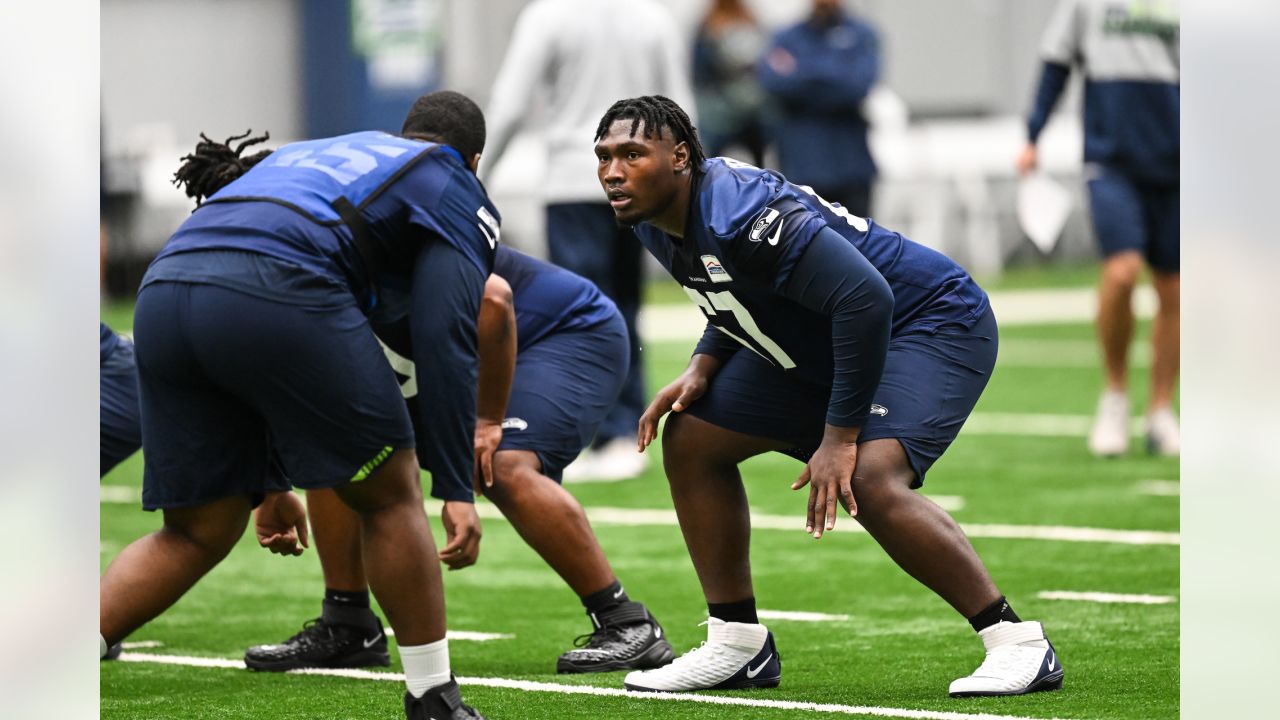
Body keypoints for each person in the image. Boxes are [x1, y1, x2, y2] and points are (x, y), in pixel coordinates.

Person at [592, 96, 1063, 698]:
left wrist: (839, 439)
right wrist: (702, 364)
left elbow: (866, 300)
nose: (613, 171)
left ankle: (1017, 642)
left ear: (680, 157)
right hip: (829, 338)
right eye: (604, 157)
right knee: (693, 436)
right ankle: (737, 644)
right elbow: (741, 293)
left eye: (632, 154)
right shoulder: (656, 213)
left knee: (867, 476)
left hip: (925, 322)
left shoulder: (742, 214)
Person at [98, 91, 497, 720]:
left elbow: (245, 333)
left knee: (197, 530)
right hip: (277, 284)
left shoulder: (324, 147)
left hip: (164, 285)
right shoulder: (450, 180)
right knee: (390, 492)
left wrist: (271, 479)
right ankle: (433, 697)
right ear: (473, 160)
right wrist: (456, 485)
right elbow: (447, 333)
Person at [243, 246, 673, 675]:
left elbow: (492, 298)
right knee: (343, 443)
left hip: (553, 330)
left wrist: (483, 427)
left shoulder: (341, 238)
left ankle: (626, 620)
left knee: (501, 464)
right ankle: (347, 623)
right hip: (450, 342)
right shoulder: (267, 267)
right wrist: (271, 484)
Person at [482, 0, 696, 480]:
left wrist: (476, 175)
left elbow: (511, 101)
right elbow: (681, 107)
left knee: (577, 317)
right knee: (625, 305)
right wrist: (687, 180)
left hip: (573, 180)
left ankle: (589, 433)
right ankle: (624, 434)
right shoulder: (653, 17)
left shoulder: (548, 16)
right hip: (644, 184)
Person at [1017, 0, 1180, 457]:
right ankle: (1115, 396)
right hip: (1111, 161)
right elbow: (1056, 62)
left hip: (1179, 163)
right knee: (1122, 270)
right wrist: (1033, 135)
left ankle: (1162, 411)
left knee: (1175, 288)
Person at [757, 0, 879, 218]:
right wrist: (837, 71)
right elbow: (773, 82)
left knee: (860, 247)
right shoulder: (786, 37)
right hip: (802, 166)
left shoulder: (862, 34)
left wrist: (801, 71)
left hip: (851, 167)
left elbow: (857, 87)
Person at [692, 0, 769, 168]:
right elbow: (699, 72)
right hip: (719, 113)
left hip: (751, 110)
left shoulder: (752, 21)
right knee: (712, 164)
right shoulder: (707, 26)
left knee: (760, 163)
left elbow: (766, 64)